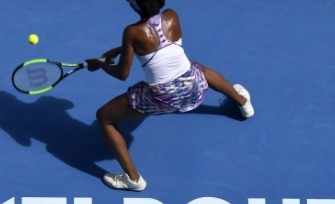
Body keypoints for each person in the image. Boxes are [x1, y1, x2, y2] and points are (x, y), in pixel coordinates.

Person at [85, 0, 254, 191]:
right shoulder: (171, 15)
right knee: (196, 67)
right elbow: (153, 43)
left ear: (135, 6)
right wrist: (120, 49)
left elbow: (122, 74)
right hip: (193, 88)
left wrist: (100, 65)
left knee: (103, 117)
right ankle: (243, 102)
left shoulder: (131, 32)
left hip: (162, 100)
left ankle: (132, 179)